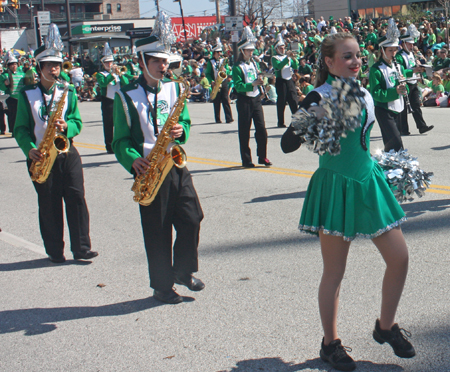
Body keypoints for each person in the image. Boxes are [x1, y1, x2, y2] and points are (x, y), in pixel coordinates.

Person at [281, 32, 415, 372]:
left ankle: (385, 327)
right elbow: (286, 144)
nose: (356, 62)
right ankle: (330, 344)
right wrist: (317, 114)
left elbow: (367, 136)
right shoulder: (318, 94)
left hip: (368, 182)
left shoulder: (365, 92)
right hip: (336, 187)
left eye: (357, 56)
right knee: (335, 271)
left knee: (400, 258)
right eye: (347, 57)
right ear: (329, 62)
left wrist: (390, 167)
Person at [112, 12, 204, 305]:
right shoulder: (125, 96)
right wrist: (131, 160)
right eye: (158, 62)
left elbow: (185, 122)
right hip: (149, 169)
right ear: (143, 62)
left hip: (175, 164)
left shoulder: (175, 88)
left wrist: (182, 129)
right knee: (157, 232)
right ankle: (162, 287)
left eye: (166, 62)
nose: (164, 67)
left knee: (192, 218)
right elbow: (120, 141)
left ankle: (183, 271)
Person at [13, 24, 97, 264]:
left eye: (57, 65)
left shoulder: (67, 91)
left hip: (66, 151)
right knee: (49, 204)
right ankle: (54, 251)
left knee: (77, 197)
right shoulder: (27, 95)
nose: (55, 69)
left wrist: (66, 127)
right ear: (40, 68)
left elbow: (77, 121)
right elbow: (20, 128)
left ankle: (82, 248)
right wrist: (29, 148)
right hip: (40, 155)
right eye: (49, 65)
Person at [369, 19, 420, 152]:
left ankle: (391, 169)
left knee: (392, 146)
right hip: (384, 110)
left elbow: (405, 89)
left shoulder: (398, 65)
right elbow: (376, 94)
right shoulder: (376, 69)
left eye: (395, 50)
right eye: (390, 50)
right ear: (382, 50)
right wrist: (395, 90)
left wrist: (404, 87)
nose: (393, 54)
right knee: (396, 143)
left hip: (398, 107)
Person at [232, 26, 271, 168]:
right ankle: (246, 159)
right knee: (244, 131)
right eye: (248, 50)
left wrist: (261, 82)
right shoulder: (237, 67)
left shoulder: (254, 63)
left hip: (255, 99)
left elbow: (256, 77)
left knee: (261, 129)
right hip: (244, 101)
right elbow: (238, 86)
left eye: (252, 50)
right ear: (242, 51)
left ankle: (263, 156)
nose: (251, 52)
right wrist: (252, 84)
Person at [397, 25, 434, 135]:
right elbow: (401, 70)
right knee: (403, 108)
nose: (411, 46)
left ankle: (422, 127)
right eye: (409, 44)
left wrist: (420, 69)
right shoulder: (399, 56)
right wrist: (414, 70)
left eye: (412, 44)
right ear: (403, 44)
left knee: (416, 106)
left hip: (413, 82)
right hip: (405, 83)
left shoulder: (412, 54)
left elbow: (413, 66)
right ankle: (403, 129)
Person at [97, 42, 129, 153]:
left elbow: (126, 83)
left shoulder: (118, 72)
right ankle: (109, 146)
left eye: (110, 62)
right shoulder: (101, 74)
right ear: (103, 63)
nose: (109, 64)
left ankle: (121, 144)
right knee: (108, 124)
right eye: (106, 62)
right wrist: (111, 74)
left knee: (121, 123)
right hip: (108, 101)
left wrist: (120, 75)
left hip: (119, 100)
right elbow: (103, 83)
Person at [272, 34, 299, 127]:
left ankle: (297, 120)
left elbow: (295, 66)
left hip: (289, 80)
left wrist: (293, 58)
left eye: (283, 47)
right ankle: (280, 122)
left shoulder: (288, 57)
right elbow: (279, 66)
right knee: (281, 102)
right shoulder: (274, 58)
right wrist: (287, 58)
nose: (283, 49)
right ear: (277, 49)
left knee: (294, 100)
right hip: (281, 81)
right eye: (281, 48)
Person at [205, 38, 233, 123]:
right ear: (214, 53)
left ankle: (229, 118)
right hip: (215, 82)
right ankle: (217, 119)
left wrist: (226, 71)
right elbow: (208, 74)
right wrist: (211, 81)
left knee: (225, 99)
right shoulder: (210, 62)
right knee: (216, 102)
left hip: (223, 81)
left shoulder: (223, 60)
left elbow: (228, 70)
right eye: (218, 52)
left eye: (220, 52)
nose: (220, 54)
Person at [0, 51, 25, 136]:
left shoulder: (22, 74)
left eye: (15, 64)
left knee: (22, 115)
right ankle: (13, 130)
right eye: (11, 64)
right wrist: (5, 84)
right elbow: (1, 87)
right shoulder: (5, 75)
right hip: (11, 98)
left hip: (21, 97)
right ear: (8, 66)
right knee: (12, 115)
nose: (14, 66)